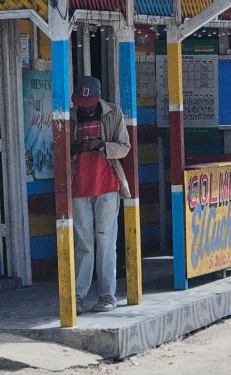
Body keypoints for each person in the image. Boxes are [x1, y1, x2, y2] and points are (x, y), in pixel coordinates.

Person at [70, 76, 131, 313]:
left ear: (98, 98)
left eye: (89, 103)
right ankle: (77, 297)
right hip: (78, 186)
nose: (86, 108)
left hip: (107, 184)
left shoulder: (113, 113)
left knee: (105, 241)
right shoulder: (70, 116)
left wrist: (101, 145)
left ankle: (107, 296)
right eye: (82, 103)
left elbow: (124, 147)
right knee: (83, 243)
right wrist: (76, 148)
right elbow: (60, 149)